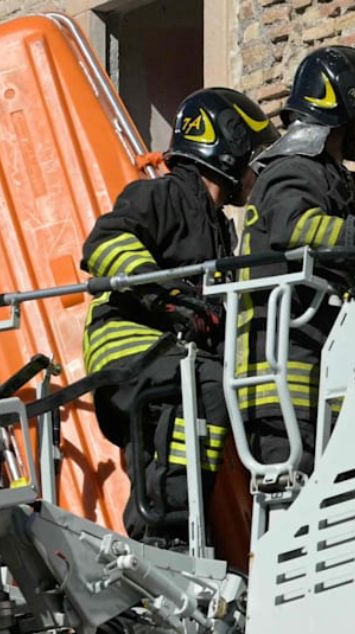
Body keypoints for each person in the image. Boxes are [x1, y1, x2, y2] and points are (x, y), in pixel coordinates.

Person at [80, 88, 278, 544]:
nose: (259, 170)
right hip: (130, 345)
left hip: (166, 354)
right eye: (255, 155)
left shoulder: (217, 228)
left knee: (168, 438)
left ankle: (161, 537)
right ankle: (171, 525)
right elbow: (104, 245)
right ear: (228, 146)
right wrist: (169, 295)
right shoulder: (161, 196)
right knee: (207, 385)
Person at [234, 46, 355, 476]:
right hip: (286, 380)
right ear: (346, 107)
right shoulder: (293, 170)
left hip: (318, 373)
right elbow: (293, 228)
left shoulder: (327, 178)